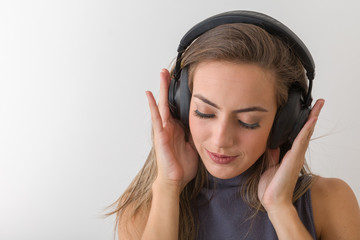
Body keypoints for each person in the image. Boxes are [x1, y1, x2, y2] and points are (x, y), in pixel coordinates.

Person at [108, 11, 360, 239]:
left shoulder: (330, 202)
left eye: (247, 121)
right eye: (204, 113)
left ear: (286, 123)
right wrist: (168, 186)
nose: (221, 139)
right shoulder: (143, 212)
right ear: (181, 107)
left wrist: (280, 208)